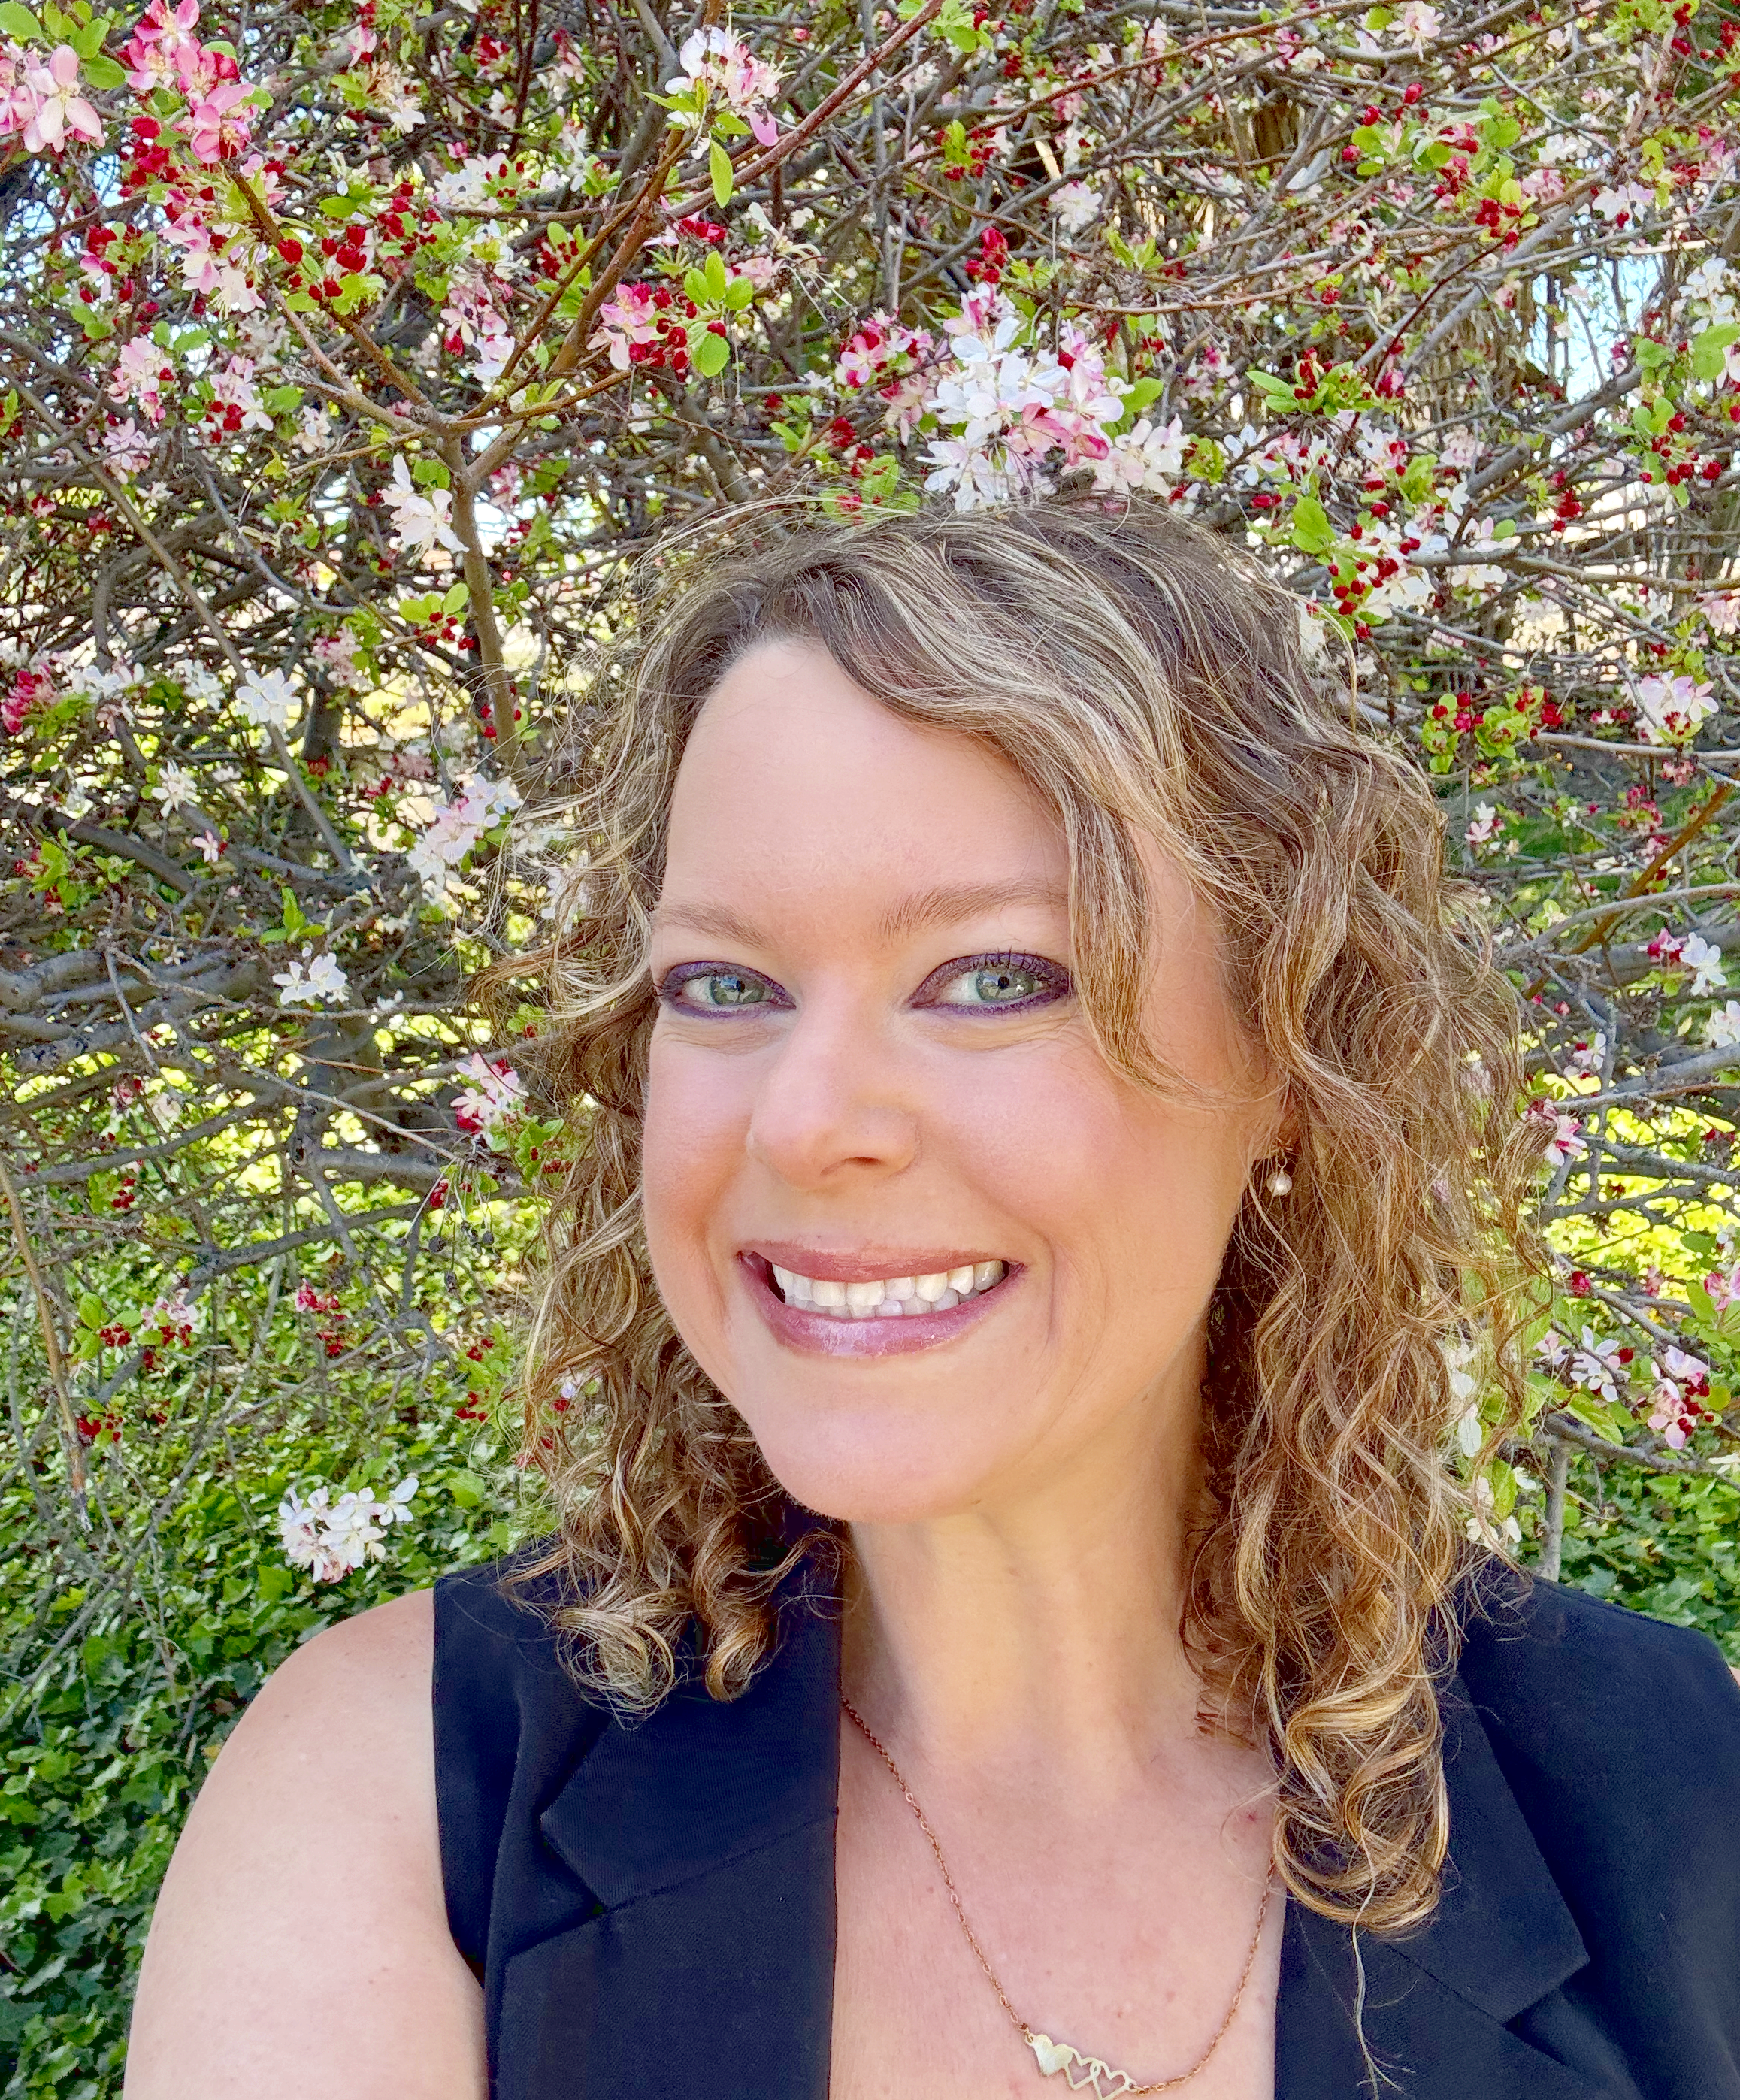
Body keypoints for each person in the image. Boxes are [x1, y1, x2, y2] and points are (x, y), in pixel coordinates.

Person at [126, 497, 1740, 2100]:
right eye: (725, 986)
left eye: (993, 979)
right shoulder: (394, 1803)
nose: (802, 1121)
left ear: (1284, 1062)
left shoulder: (1662, 1787)